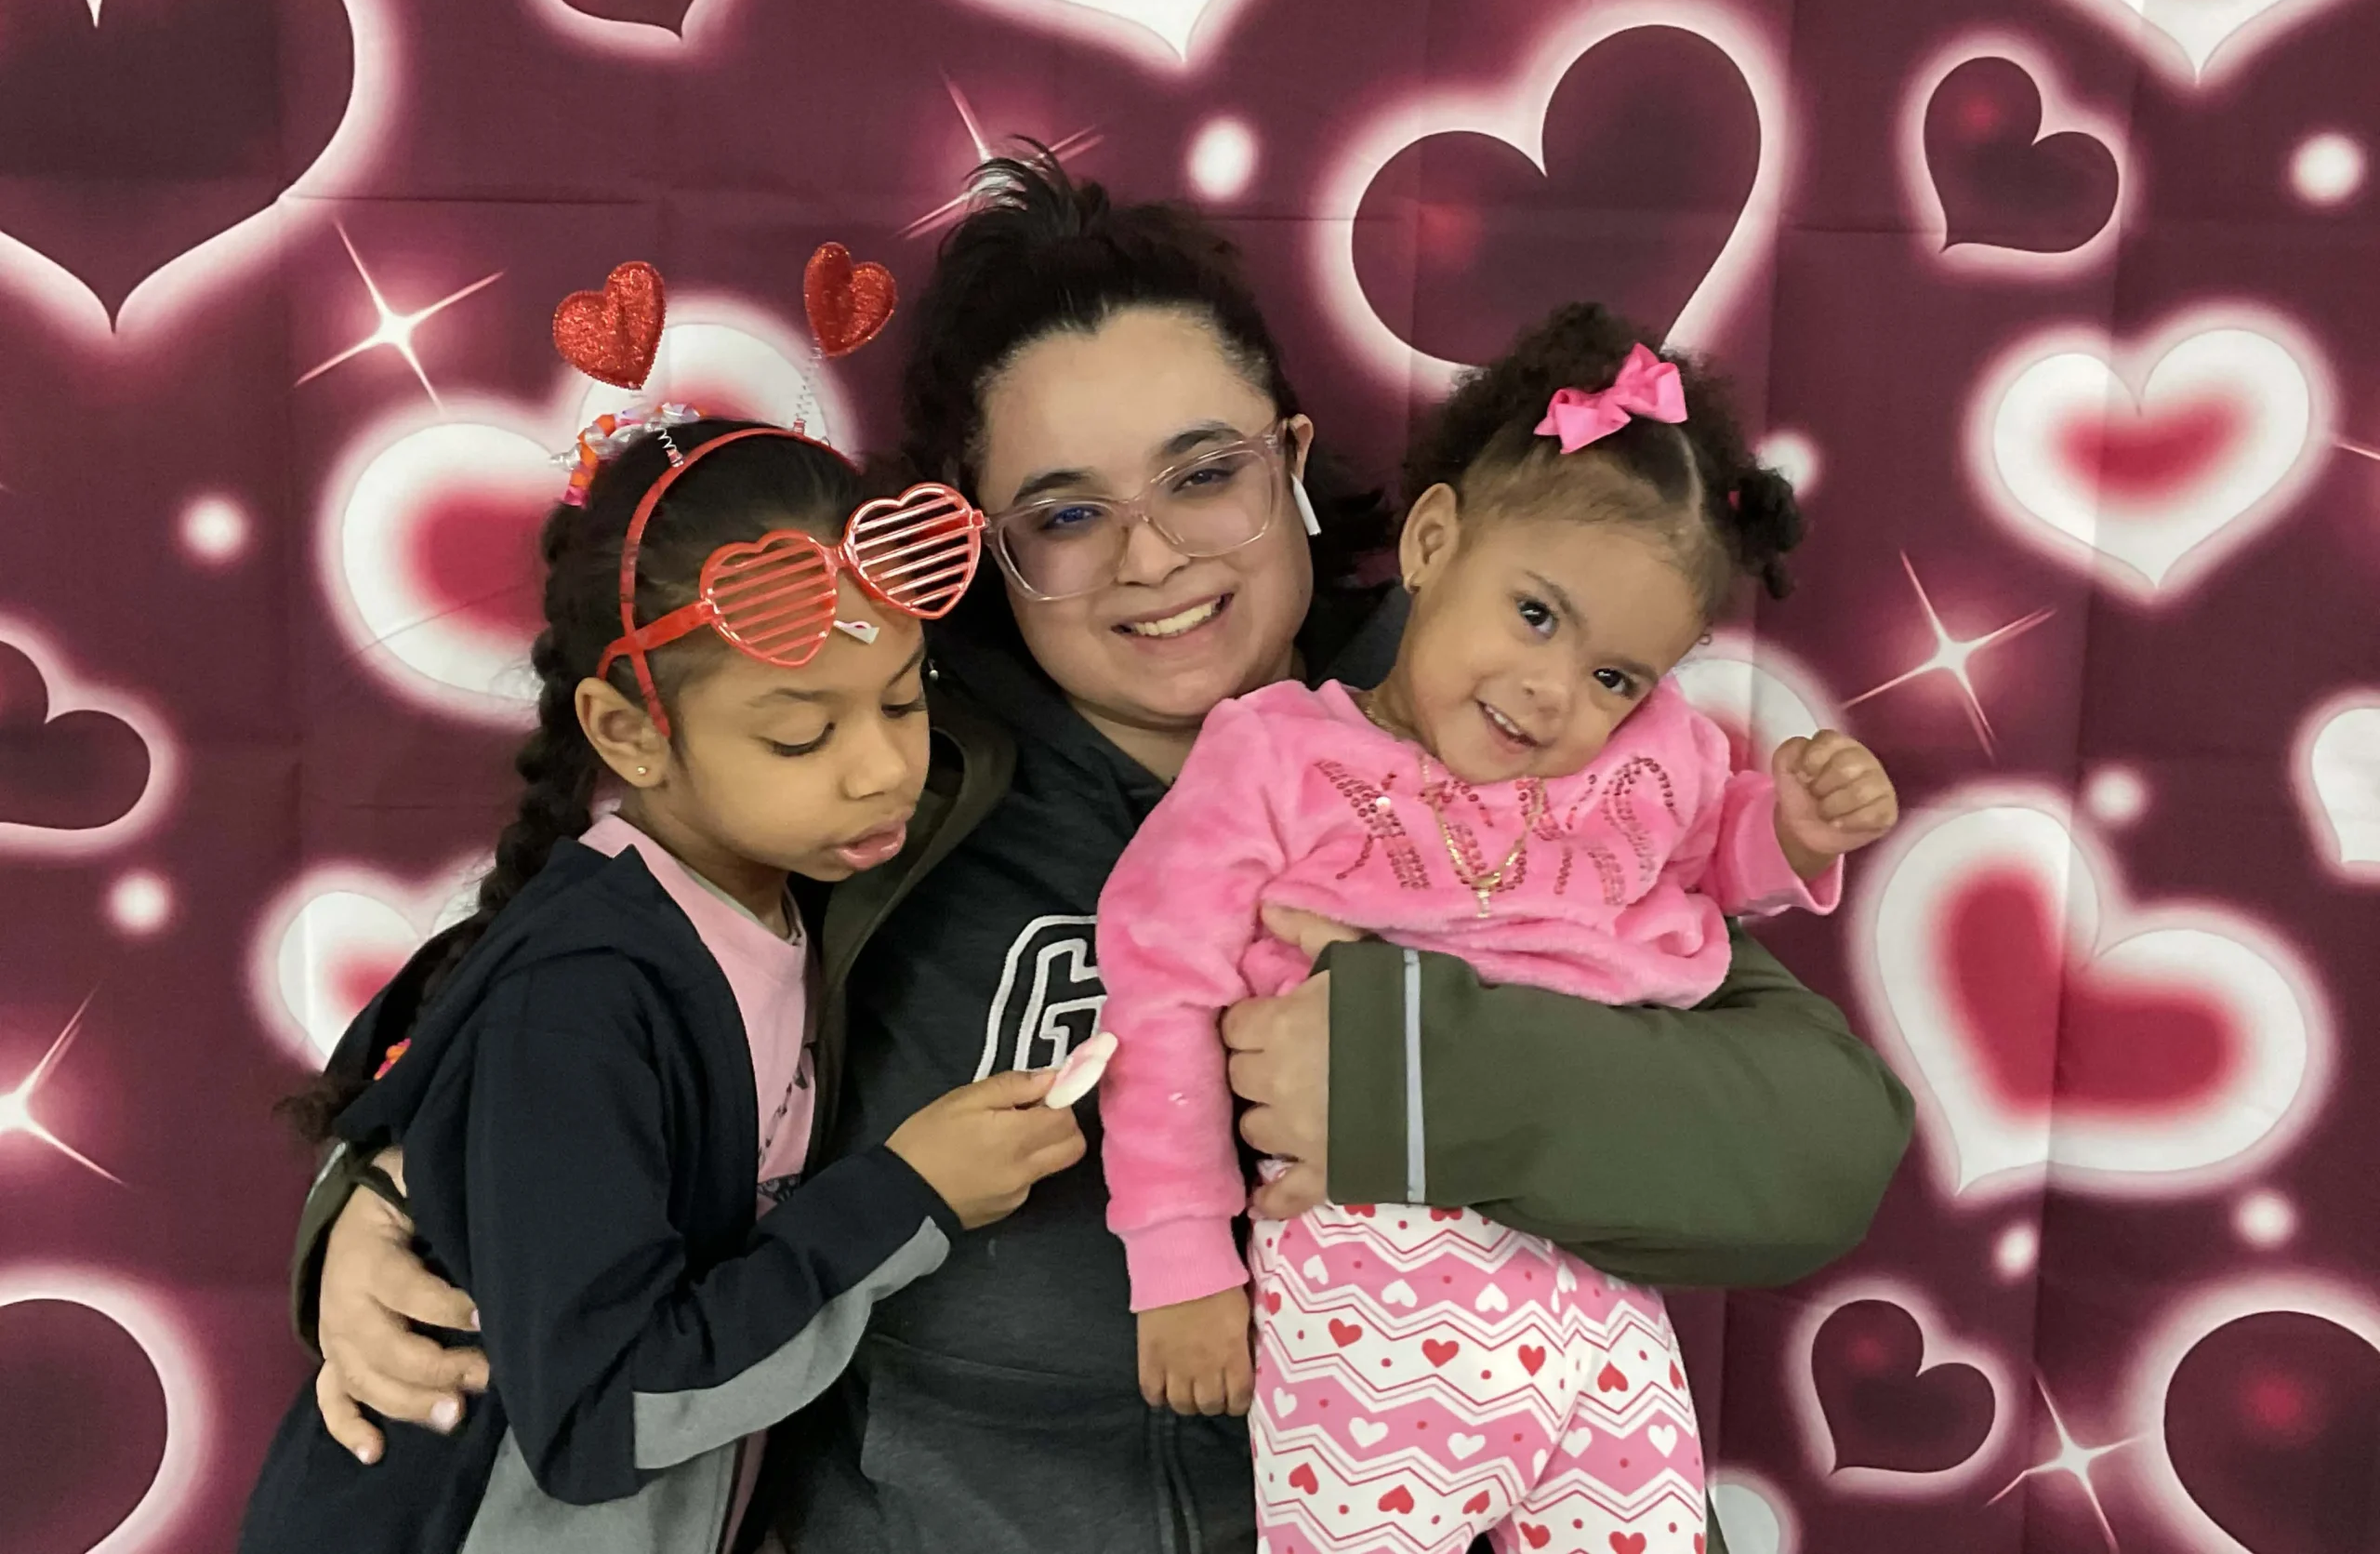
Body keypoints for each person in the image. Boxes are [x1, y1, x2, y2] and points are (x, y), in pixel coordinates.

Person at [287, 153, 1914, 1554]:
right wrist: (378, 1194)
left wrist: (1413, 1074)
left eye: (1204, 474)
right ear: (984, 545)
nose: (1153, 556)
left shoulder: (1506, 738)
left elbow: (1822, 1144)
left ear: (1294, 461)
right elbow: (572, 982)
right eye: (1067, 513)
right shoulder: (890, 779)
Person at [1094, 305, 1900, 1554]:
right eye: (1534, 615)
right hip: (1379, 1276)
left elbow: (1697, 863)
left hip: (1599, 1264)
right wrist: (1183, 1260)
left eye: (1615, 676)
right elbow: (1161, 997)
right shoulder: (1274, 759)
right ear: (1432, 541)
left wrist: (1791, 831)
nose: (1552, 690)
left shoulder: (1645, 761)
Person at [241, 413, 1086, 1553]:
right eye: (801, 737)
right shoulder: (579, 999)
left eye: (902, 698)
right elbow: (604, 1413)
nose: (885, 768)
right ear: (628, 734)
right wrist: (909, 1197)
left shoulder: (786, 884)